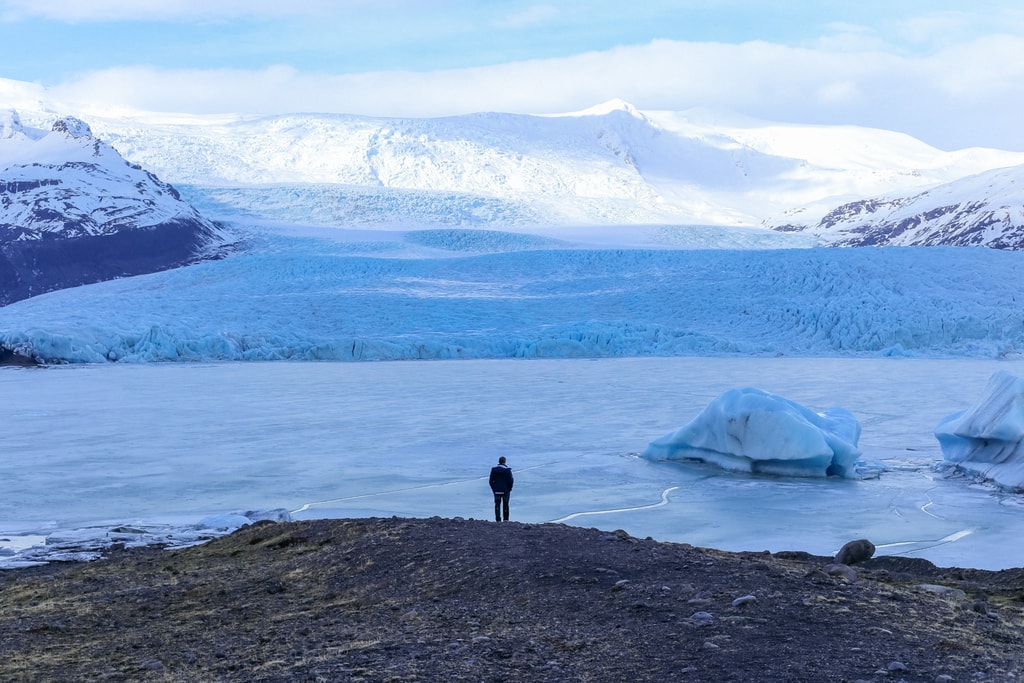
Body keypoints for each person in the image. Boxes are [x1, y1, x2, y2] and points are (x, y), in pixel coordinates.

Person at [488, 456, 514, 522]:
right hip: (505, 490)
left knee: (497, 505)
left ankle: (498, 519)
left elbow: (491, 481)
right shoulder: (507, 470)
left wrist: (493, 489)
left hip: (496, 490)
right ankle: (506, 519)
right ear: (504, 461)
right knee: (505, 505)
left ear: (499, 462)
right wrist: (510, 488)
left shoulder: (494, 470)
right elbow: (511, 480)